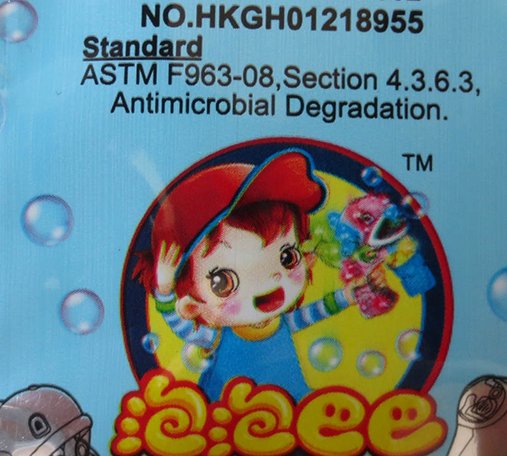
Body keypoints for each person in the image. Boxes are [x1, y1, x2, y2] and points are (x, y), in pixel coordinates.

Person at [140, 149, 358, 402]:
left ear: (306, 258)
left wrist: (346, 296)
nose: (269, 280)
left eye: (287, 257)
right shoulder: (215, 336)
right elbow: (179, 324)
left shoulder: (281, 323)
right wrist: (164, 292)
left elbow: (316, 311)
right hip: (227, 413)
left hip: (293, 407)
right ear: (191, 306)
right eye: (224, 282)